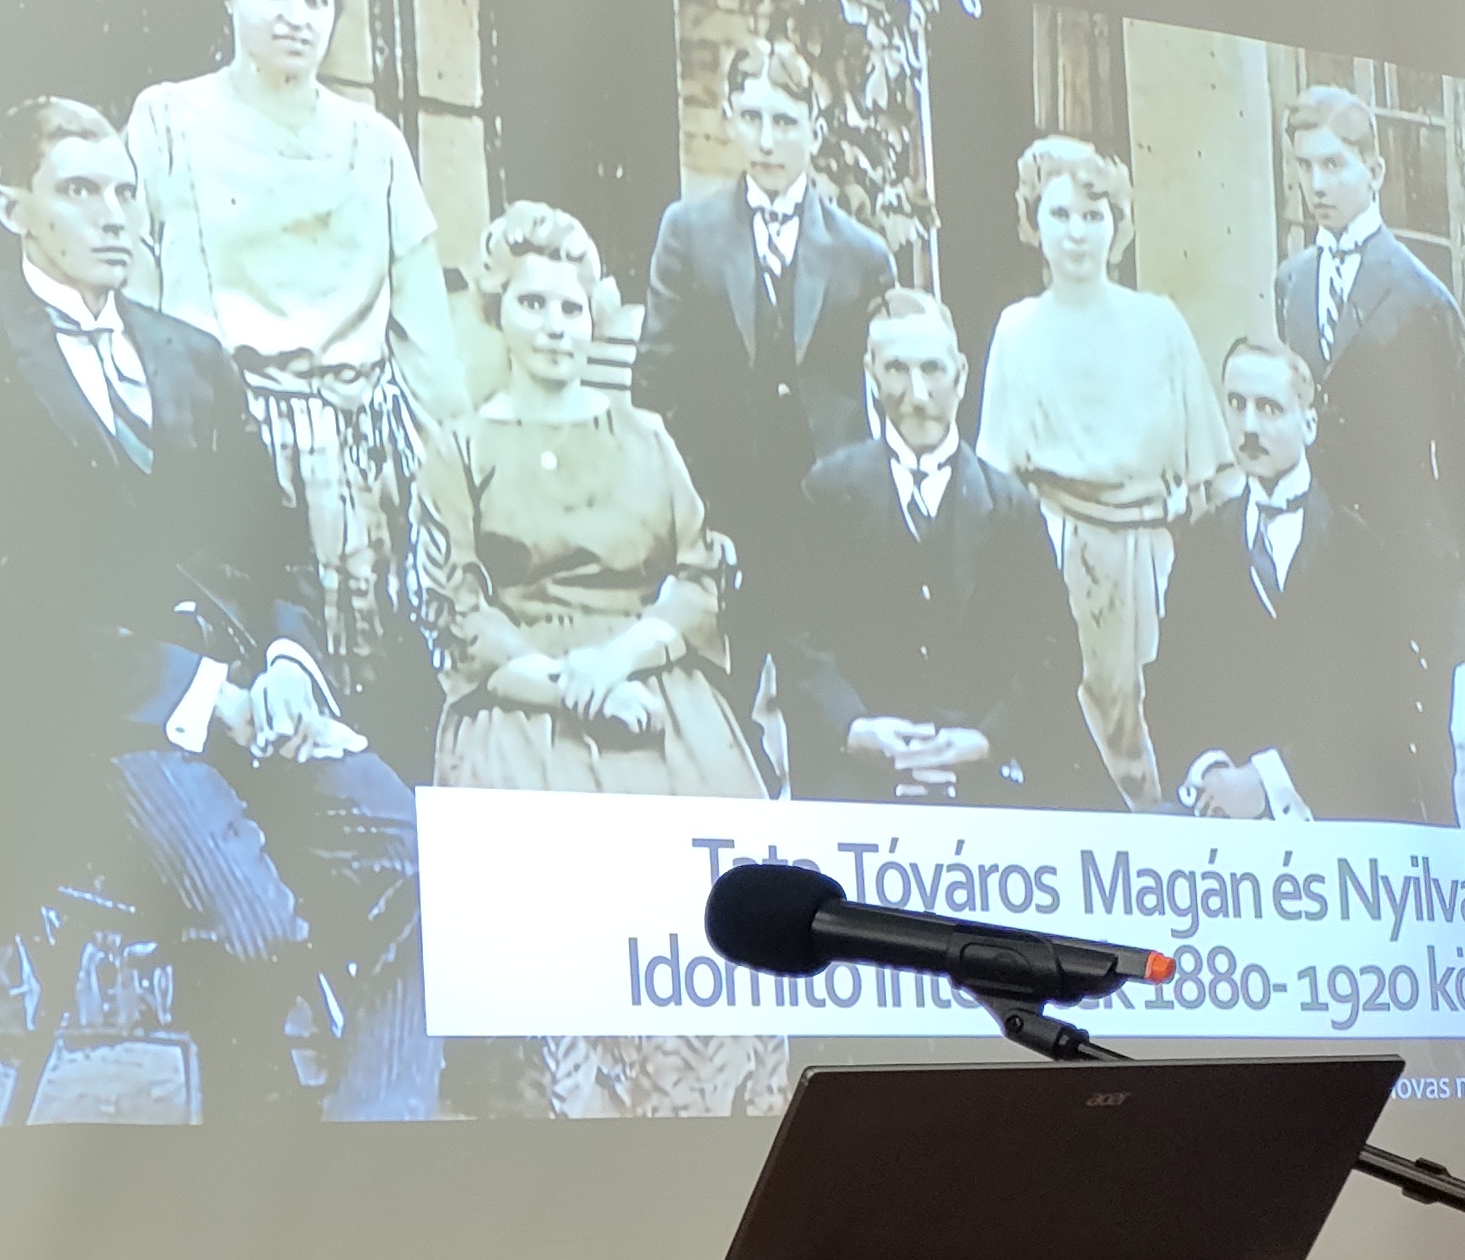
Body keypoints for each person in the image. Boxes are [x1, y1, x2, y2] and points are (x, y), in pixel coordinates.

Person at [0, 95, 436, 1122]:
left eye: (125, 190)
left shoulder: (191, 357)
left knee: (428, 870)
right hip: (87, 734)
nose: (114, 214)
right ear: (11, 207)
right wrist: (204, 695)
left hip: (251, 708)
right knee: (255, 932)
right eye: (80, 191)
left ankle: (371, 1147)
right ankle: (254, 1138)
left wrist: (287, 666)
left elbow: (275, 544)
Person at [426, 201, 778, 1119]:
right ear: (499, 314)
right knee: (551, 901)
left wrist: (618, 662)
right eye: (533, 304)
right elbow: (458, 610)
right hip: (521, 703)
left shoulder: (647, 438)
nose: (555, 326)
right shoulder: (461, 446)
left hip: (652, 686)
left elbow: (697, 577)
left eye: (572, 308)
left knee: (707, 885)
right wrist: (571, 692)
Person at [123, 0, 470, 780]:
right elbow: (138, 306)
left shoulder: (374, 143)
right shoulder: (169, 120)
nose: (296, 17)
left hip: (357, 463)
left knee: (371, 688)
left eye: (318, 2)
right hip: (219, 445)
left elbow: (427, 345)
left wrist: (457, 487)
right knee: (233, 674)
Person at [977, 135, 1232, 811]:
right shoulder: (1018, 330)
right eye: (1060, 215)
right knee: (1067, 719)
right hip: (1054, 554)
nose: (1077, 233)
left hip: (1150, 557)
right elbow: (993, 481)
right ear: (1034, 224)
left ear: (1116, 225)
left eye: (1093, 216)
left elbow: (1214, 473)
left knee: (1157, 716)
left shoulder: (1159, 324)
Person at [769, 289, 1098, 807]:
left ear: (961, 376)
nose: (917, 394)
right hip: (861, 773)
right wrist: (853, 728)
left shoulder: (1009, 506)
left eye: (932, 369)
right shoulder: (828, 493)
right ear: (871, 375)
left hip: (983, 769)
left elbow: (1053, 650)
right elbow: (797, 637)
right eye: (896, 370)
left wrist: (987, 740)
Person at [1147, 340, 1447, 823]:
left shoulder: (1358, 545)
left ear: (1309, 424)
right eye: (1236, 404)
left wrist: (1268, 782)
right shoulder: (1203, 543)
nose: (1249, 426)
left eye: (1269, 408)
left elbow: (1387, 701)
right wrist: (1213, 773)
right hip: (1220, 820)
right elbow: (1169, 687)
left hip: (1337, 818)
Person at [632, 38, 898, 553]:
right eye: (752, 119)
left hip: (831, 512)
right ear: (730, 120)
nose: (767, 141)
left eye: (785, 122)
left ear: (815, 131)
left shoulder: (863, 256)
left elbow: (885, 397)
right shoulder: (688, 231)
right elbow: (654, 380)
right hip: (720, 505)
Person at [1271, 86, 1465, 554]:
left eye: (1333, 164)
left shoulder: (1422, 297)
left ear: (1375, 172)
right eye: (1305, 166)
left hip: (1404, 549)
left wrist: (1453, 563)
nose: (1316, 185)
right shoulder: (1290, 284)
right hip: (1318, 547)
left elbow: (1461, 456)